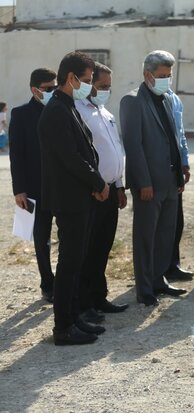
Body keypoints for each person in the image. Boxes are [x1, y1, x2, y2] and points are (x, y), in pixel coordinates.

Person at [38, 51, 109, 345]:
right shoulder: (56, 110)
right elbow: (71, 158)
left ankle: (74, 316)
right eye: (87, 80)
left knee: (77, 261)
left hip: (80, 197)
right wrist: (97, 181)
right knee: (69, 263)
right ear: (71, 78)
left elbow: (84, 150)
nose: (89, 86)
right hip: (70, 200)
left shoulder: (68, 106)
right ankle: (63, 327)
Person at [120, 50, 187, 306]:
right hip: (149, 184)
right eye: (162, 76)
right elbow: (133, 145)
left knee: (165, 235)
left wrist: (180, 172)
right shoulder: (133, 101)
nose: (166, 81)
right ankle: (145, 289)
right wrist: (143, 182)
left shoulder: (167, 99)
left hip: (171, 180)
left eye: (169, 76)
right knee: (146, 238)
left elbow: (175, 137)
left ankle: (159, 280)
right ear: (147, 74)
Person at [75, 62, 129, 316]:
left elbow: (116, 150)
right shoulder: (79, 112)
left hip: (110, 191)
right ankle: (83, 303)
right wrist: (98, 184)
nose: (106, 90)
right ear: (88, 84)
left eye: (109, 86)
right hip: (93, 193)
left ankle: (99, 297)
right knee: (88, 250)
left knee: (102, 249)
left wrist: (119, 185)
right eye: (101, 86)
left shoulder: (105, 112)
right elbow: (81, 157)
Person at [9, 68, 57, 302]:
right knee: (42, 238)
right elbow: (16, 155)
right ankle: (48, 283)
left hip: (63, 187)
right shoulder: (21, 114)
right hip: (36, 188)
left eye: (55, 88)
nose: (53, 92)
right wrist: (19, 189)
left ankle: (69, 281)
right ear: (34, 89)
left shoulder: (61, 111)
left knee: (70, 237)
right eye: (48, 89)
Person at [164, 88, 194, 281]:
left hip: (176, 168)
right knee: (160, 224)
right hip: (158, 168)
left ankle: (172, 264)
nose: (165, 78)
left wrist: (185, 161)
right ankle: (156, 268)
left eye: (168, 74)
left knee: (176, 221)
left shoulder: (174, 99)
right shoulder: (143, 100)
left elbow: (180, 133)